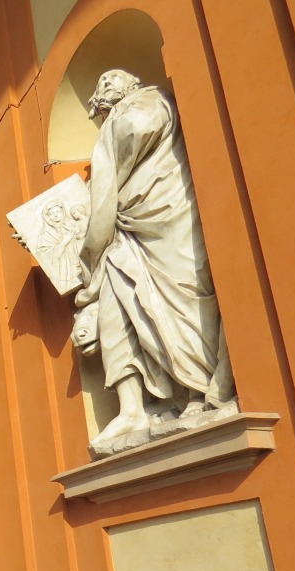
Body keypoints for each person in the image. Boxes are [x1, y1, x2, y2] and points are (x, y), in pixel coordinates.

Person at [74, 70, 234, 444]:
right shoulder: (135, 113)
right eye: (101, 84)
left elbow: (127, 144)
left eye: (112, 80)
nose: (106, 85)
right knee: (119, 302)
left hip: (170, 215)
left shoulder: (150, 103)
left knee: (184, 294)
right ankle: (134, 409)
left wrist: (86, 257)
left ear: (131, 85)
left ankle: (198, 389)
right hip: (129, 231)